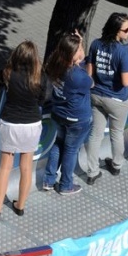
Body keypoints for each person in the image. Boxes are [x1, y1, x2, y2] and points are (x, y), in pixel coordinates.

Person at [0, 41, 46, 218]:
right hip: (32, 124)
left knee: (4, 167)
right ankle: (20, 205)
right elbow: (44, 98)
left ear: (17, 56)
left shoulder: (8, 73)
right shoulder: (40, 76)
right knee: (26, 167)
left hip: (10, 123)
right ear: (34, 57)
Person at [83, 13, 128, 184]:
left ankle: (92, 172)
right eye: (126, 29)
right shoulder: (124, 51)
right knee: (117, 133)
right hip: (117, 100)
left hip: (96, 96)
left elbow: (89, 74)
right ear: (116, 31)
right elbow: (126, 81)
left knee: (95, 134)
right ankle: (116, 165)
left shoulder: (95, 44)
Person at [44, 32, 93, 195]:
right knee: (71, 149)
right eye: (79, 48)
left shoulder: (54, 64)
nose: (82, 50)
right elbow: (91, 82)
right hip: (76, 119)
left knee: (58, 144)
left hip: (58, 113)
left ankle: (49, 180)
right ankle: (65, 185)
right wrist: (84, 55)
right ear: (73, 54)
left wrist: (77, 43)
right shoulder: (77, 76)